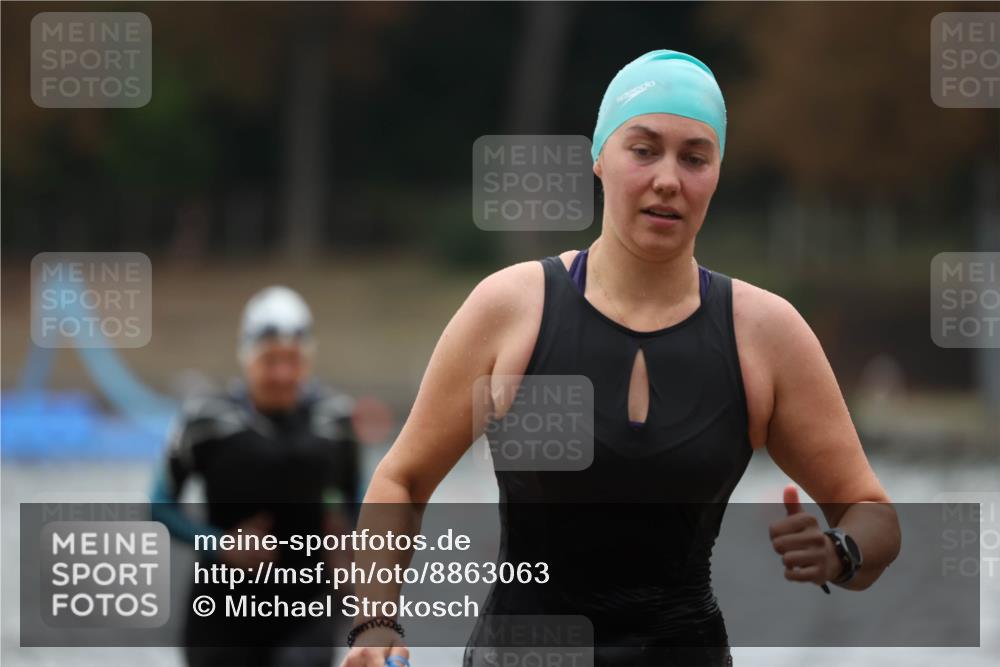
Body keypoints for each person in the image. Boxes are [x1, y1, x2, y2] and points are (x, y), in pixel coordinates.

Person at [340, 50, 901, 667]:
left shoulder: (765, 334)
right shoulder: (512, 309)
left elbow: (869, 511)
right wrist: (374, 625)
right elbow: (403, 478)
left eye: (694, 157)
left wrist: (841, 553)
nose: (669, 178)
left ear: (716, 172)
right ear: (600, 158)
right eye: (644, 149)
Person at [152, 285, 362, 667]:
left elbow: (359, 502)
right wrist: (219, 545)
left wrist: (348, 550)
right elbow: (160, 507)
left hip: (307, 606)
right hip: (221, 608)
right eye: (270, 361)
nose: (282, 375)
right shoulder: (205, 422)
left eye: (292, 360)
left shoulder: (335, 420)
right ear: (246, 357)